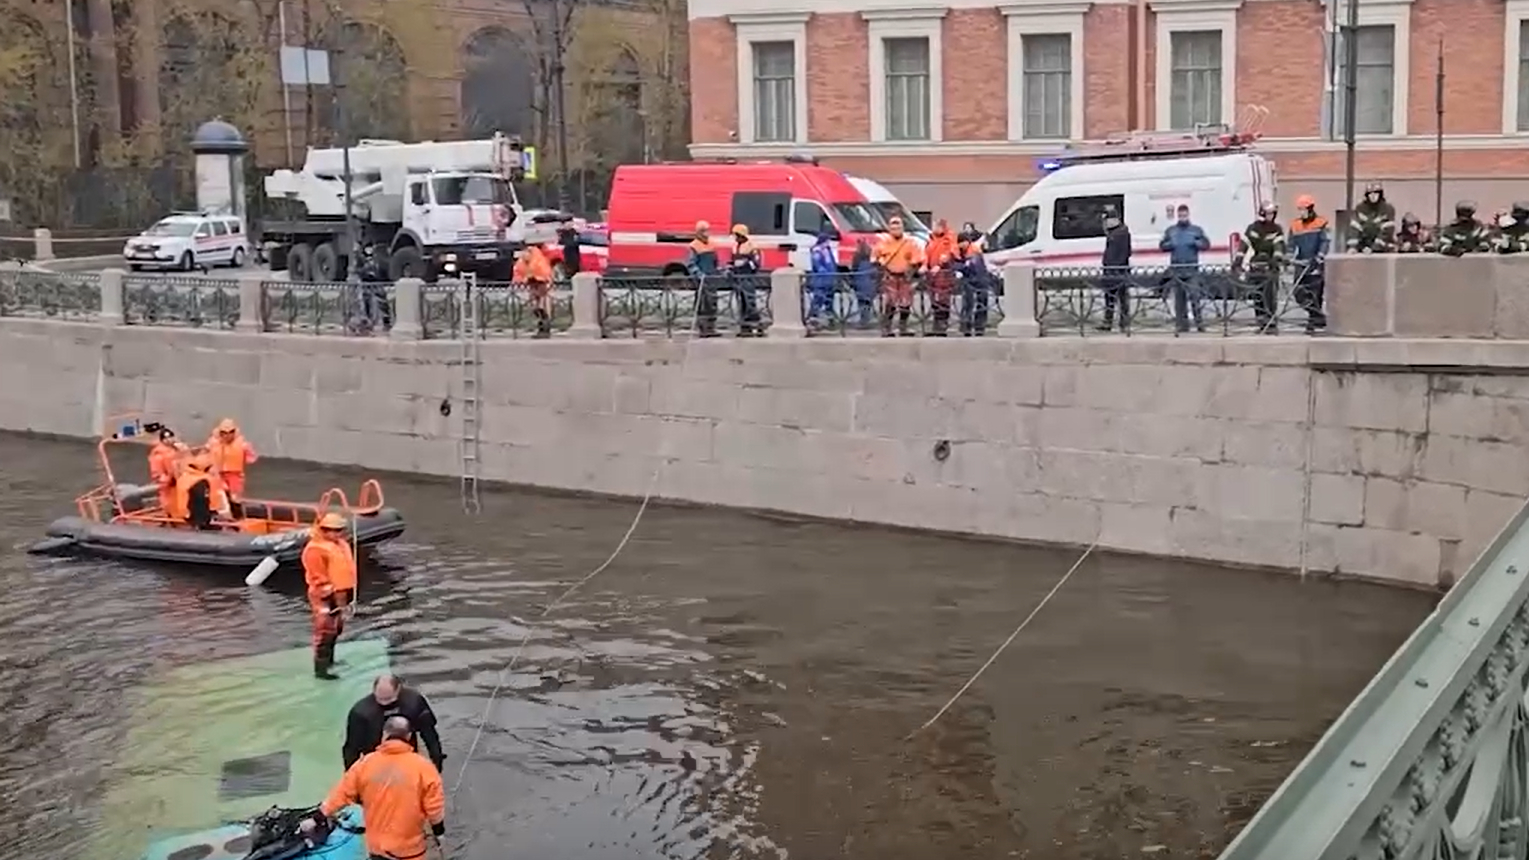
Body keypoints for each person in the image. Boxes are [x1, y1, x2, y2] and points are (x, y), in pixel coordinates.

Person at [306, 715, 445, 860]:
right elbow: (435, 808)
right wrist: (439, 832)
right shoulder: (424, 768)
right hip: (408, 850)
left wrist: (318, 817)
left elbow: (341, 793)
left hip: (377, 848)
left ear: (384, 735)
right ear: (409, 736)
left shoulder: (365, 764)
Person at [343, 674, 446, 774]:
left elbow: (430, 734)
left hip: (407, 758)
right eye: (380, 699)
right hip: (376, 762)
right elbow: (351, 748)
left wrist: (437, 761)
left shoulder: (414, 702)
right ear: (374, 691)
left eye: (388, 699)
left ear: (398, 689)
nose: (384, 703)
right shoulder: (360, 712)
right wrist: (351, 774)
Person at [303, 511, 357, 680]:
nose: (340, 534)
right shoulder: (314, 550)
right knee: (325, 632)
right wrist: (332, 594)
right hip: (324, 596)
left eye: (341, 530)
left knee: (336, 629)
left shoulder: (340, 544)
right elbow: (317, 575)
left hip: (340, 593)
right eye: (336, 530)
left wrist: (343, 599)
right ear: (325, 530)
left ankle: (330, 661)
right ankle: (321, 670)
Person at [1159, 204, 1209, 333]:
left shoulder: (1196, 230)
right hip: (1177, 269)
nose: (1182, 218)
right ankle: (1181, 325)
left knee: (1195, 297)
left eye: (1184, 215)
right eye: (1180, 216)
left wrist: (1196, 243)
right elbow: (1162, 245)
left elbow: (1206, 244)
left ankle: (1199, 324)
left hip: (1192, 269)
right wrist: (1170, 244)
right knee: (1179, 300)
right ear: (1177, 216)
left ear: (1188, 215)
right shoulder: (1171, 231)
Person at [873, 216, 924, 337]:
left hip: (905, 276)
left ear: (902, 228)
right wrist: (880, 262)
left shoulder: (910, 242)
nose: (896, 230)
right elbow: (874, 257)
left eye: (898, 227)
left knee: (905, 303)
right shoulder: (883, 243)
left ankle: (903, 328)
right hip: (890, 275)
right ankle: (887, 328)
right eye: (893, 228)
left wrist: (912, 270)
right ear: (889, 229)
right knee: (890, 303)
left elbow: (918, 258)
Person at [1242, 202, 1287, 334]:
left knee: (1270, 296)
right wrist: (1238, 261)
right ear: (1262, 213)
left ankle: (1271, 322)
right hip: (1256, 266)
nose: (1271, 216)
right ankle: (1261, 321)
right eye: (1269, 213)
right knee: (1257, 296)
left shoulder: (1276, 229)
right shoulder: (1253, 228)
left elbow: (1279, 246)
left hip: (1270, 266)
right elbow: (1244, 245)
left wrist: (1276, 259)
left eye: (1273, 213)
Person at [1288, 194, 1330, 334]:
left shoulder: (1320, 223)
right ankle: (1318, 317)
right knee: (1299, 293)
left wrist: (1318, 258)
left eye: (1303, 209)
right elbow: (1291, 244)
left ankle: (1313, 322)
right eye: (1299, 210)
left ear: (1310, 209)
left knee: (1315, 294)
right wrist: (1289, 257)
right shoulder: (1295, 225)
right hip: (1301, 263)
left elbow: (1325, 242)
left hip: (1315, 264)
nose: (1301, 212)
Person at [171, 452, 229, 530]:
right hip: (204, 516)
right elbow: (213, 501)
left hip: (186, 515)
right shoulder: (206, 481)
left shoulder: (183, 479)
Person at [1097, 211, 1132, 332]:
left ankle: (1121, 322)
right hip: (1111, 270)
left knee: (1119, 297)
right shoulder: (1116, 232)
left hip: (1117, 270)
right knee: (1111, 298)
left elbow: (1124, 253)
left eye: (1107, 220)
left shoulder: (1121, 233)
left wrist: (1115, 266)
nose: (1106, 223)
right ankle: (1113, 322)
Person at [685, 221, 721, 337]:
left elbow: (715, 261)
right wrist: (698, 274)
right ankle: (703, 328)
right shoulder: (694, 246)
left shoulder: (712, 244)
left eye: (708, 230)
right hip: (701, 279)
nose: (707, 233)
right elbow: (691, 264)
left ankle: (711, 327)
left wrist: (718, 269)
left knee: (713, 302)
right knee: (702, 303)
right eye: (704, 231)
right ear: (699, 232)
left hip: (712, 278)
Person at [726, 224, 764, 337]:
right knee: (741, 303)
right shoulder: (735, 247)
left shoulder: (752, 246)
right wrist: (730, 267)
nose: (735, 238)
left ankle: (758, 325)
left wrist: (744, 265)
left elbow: (756, 263)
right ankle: (745, 328)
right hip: (738, 278)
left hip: (748, 277)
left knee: (750, 303)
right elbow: (733, 260)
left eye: (737, 235)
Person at [954, 225, 991, 337]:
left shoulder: (973, 251)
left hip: (978, 280)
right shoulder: (965, 250)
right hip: (974, 280)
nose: (960, 245)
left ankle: (976, 327)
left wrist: (960, 268)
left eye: (962, 242)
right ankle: (970, 327)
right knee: (970, 304)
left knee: (976, 304)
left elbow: (969, 266)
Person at [205, 418, 256, 499]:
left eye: (230, 432)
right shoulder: (213, 443)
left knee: (235, 498)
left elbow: (252, 458)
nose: (227, 435)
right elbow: (205, 457)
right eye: (224, 433)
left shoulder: (242, 444)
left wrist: (245, 454)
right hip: (217, 475)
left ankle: (235, 509)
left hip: (235, 475)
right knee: (219, 497)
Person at [924, 219, 959, 336]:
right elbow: (926, 254)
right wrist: (925, 265)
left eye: (935, 226)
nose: (933, 228)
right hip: (932, 275)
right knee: (934, 301)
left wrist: (940, 265)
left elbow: (950, 254)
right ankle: (936, 326)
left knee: (943, 300)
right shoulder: (931, 240)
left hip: (944, 275)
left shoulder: (949, 239)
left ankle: (942, 326)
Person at [513, 244, 555, 338]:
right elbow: (519, 271)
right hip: (533, 284)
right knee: (534, 307)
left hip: (541, 285)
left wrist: (534, 277)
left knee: (541, 306)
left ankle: (545, 328)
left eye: (525, 253)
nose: (524, 255)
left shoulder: (537, 259)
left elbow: (543, 273)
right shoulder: (524, 260)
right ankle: (541, 327)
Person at [1347, 182, 1397, 253]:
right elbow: (1354, 229)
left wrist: (1374, 248)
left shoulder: (1388, 209)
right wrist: (1353, 247)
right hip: (1363, 249)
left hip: (1384, 249)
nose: (1373, 196)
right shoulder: (1360, 208)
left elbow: (1387, 232)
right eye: (1370, 193)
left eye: (1376, 193)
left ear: (1380, 194)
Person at [805, 228, 838, 330]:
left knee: (829, 302)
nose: (829, 242)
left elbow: (832, 264)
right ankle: (812, 319)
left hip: (829, 280)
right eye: (827, 240)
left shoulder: (827, 251)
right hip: (821, 281)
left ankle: (830, 321)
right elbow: (819, 267)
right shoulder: (817, 252)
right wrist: (826, 273)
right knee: (818, 300)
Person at [148, 427, 186, 513]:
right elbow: (157, 472)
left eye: (170, 437)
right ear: (162, 440)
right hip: (169, 484)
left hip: (180, 481)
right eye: (166, 438)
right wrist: (168, 480)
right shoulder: (158, 454)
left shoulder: (176, 450)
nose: (169, 440)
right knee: (170, 503)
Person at [850, 237, 877, 328]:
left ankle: (863, 320)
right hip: (870, 281)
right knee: (868, 301)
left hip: (860, 280)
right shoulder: (871, 255)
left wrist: (852, 279)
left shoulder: (857, 256)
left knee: (861, 301)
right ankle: (867, 318)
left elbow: (854, 268)